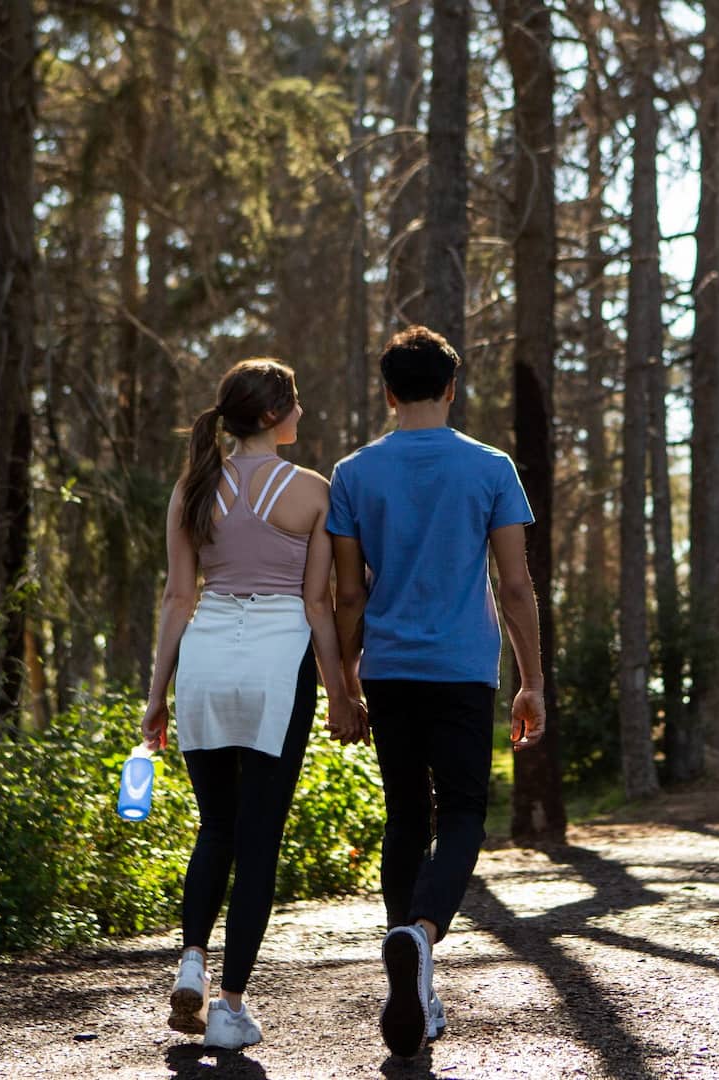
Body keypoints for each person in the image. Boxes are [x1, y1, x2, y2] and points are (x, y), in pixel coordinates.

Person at [327, 326, 548, 1059]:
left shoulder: (353, 473)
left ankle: (414, 977)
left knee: (403, 817)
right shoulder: (490, 467)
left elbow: (349, 595)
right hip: (462, 669)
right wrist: (531, 682)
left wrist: (344, 685)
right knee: (460, 815)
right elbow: (514, 586)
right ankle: (421, 936)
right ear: (452, 388)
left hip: (389, 668)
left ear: (389, 392)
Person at [139, 359, 368, 1051]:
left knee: (216, 827)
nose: (301, 413)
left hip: (204, 662)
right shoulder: (313, 491)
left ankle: (191, 960)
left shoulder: (193, 487)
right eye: (294, 403)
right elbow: (318, 605)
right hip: (277, 663)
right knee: (259, 839)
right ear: (271, 416)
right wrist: (342, 693)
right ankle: (230, 1007)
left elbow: (179, 597)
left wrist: (156, 696)